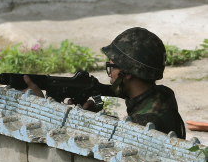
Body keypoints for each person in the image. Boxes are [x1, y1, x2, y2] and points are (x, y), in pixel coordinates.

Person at [22, 27, 186, 139]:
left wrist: (43, 107)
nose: (110, 76)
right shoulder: (163, 95)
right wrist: (97, 113)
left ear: (125, 73)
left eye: (111, 68)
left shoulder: (146, 124)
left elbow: (109, 139)